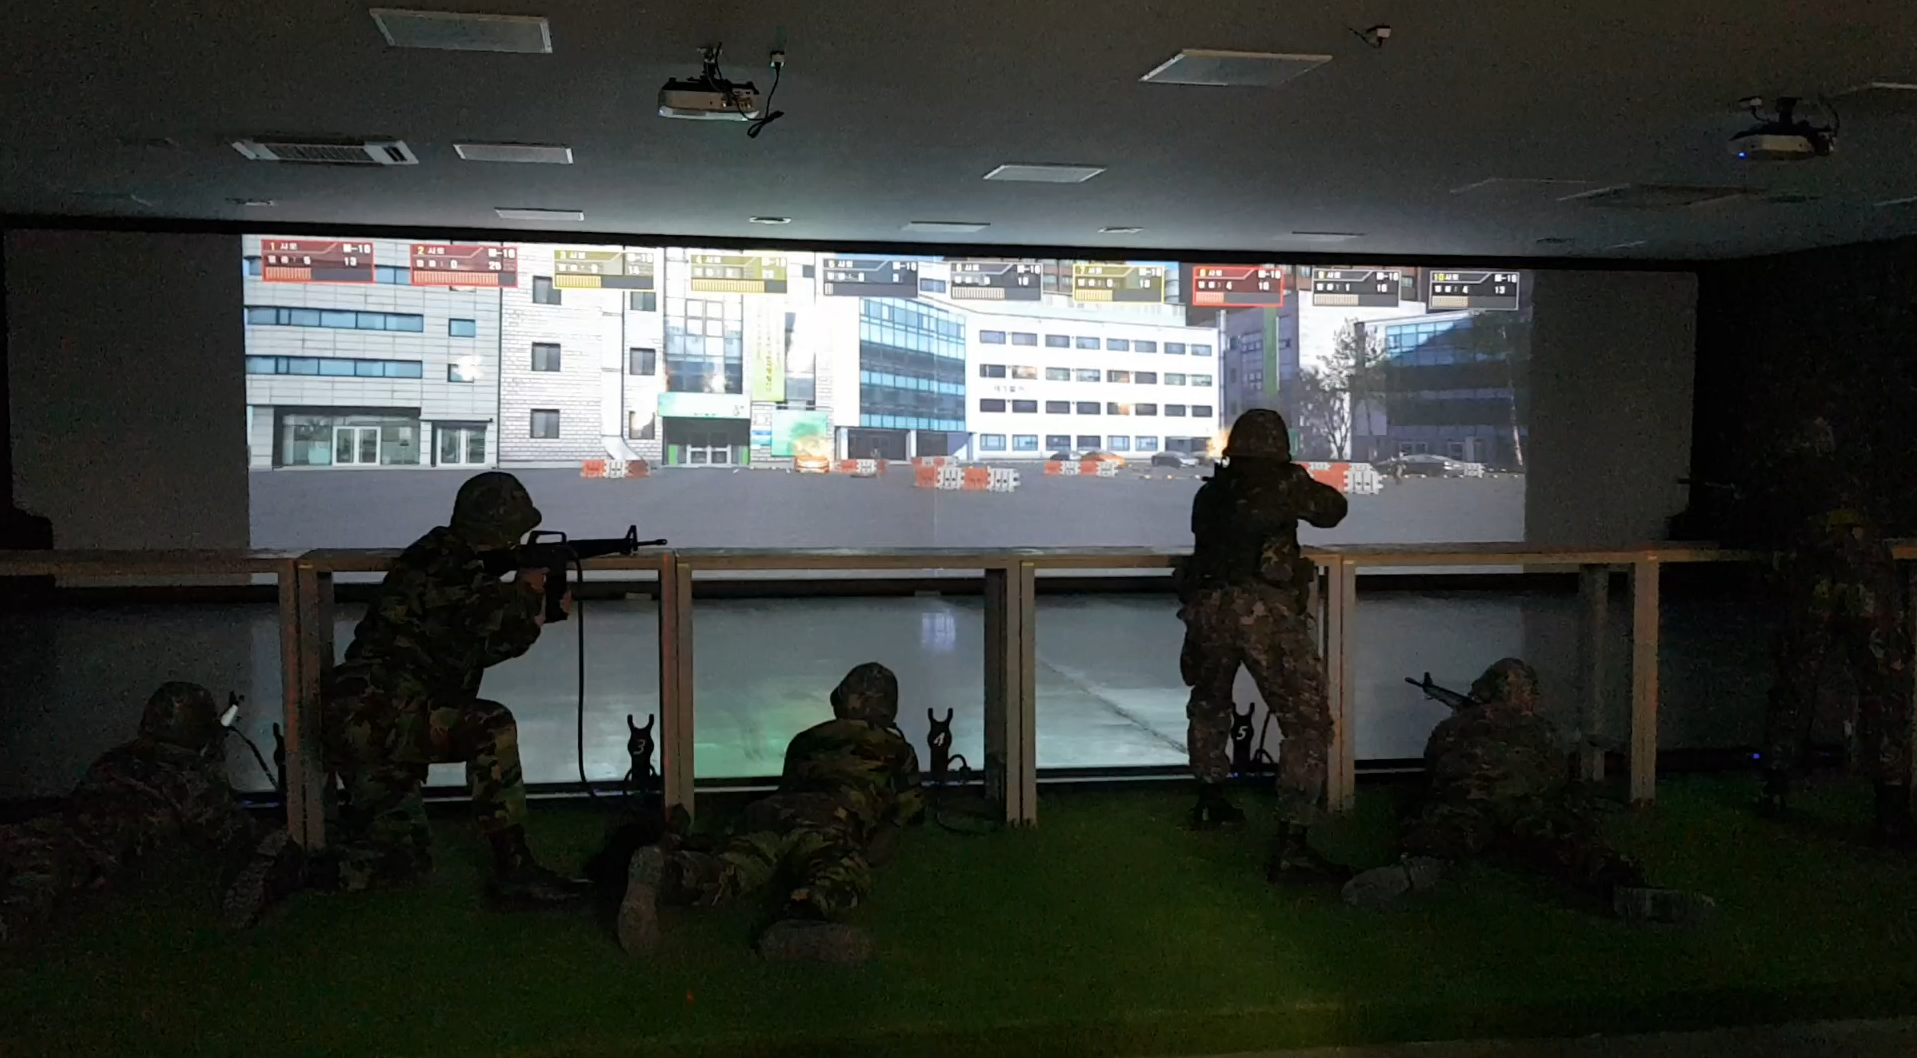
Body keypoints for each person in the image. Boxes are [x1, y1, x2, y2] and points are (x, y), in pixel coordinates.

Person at [237, 472, 587, 915]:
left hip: (364, 718)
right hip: (377, 715)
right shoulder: (453, 570)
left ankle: (295, 870)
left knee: (403, 859)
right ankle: (515, 871)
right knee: (491, 726)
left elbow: (472, 641)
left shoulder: (435, 555)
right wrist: (529, 595)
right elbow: (494, 631)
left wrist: (528, 606)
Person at [1343, 659, 1713, 923]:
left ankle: (1416, 868)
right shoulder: (1542, 729)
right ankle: (1626, 890)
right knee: (1570, 837)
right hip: (1527, 807)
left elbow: (1436, 769)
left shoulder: (1450, 727)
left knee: (1435, 825)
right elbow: (1556, 775)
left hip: (1464, 808)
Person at [616, 662, 923, 963]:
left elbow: (789, 788)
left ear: (839, 700)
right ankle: (801, 919)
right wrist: (872, 844)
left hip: (770, 813)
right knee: (841, 874)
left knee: (733, 869)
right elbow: (897, 824)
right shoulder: (899, 751)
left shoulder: (806, 740)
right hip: (831, 822)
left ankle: (667, 873)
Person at [1173, 409, 1349, 881]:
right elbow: (1333, 510)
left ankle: (1210, 799)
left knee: (1210, 703)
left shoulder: (1211, 492)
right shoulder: (1284, 485)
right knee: (1307, 722)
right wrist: (1297, 481)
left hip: (1207, 607)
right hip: (1262, 611)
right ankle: (1293, 842)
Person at [1752, 417, 1913, 844]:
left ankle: (1775, 784)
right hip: (1868, 573)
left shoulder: (1788, 477)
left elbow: (1761, 525)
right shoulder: (1862, 471)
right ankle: (1891, 807)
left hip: (1815, 572)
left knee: (1796, 678)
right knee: (1885, 687)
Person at [1, 683, 260, 945]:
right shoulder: (188, 779)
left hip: (40, 832)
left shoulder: (115, 760)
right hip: (79, 853)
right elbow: (231, 833)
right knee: (25, 904)